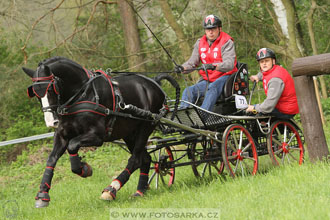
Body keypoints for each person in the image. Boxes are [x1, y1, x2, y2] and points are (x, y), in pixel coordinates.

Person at [174, 14, 237, 111]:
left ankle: (202, 116)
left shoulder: (227, 42)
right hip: (208, 79)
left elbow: (229, 64)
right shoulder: (200, 43)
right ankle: (184, 117)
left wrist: (214, 66)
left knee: (212, 88)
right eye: (208, 29)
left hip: (225, 76)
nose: (210, 32)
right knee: (188, 91)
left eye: (213, 28)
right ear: (205, 30)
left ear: (219, 29)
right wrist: (182, 68)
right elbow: (192, 62)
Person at [246, 48, 299, 119]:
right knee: (254, 111)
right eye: (261, 62)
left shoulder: (276, 80)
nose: (264, 63)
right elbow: (265, 73)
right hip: (281, 105)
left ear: (273, 61)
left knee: (253, 114)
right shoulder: (273, 69)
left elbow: (269, 105)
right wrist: (258, 76)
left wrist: (254, 107)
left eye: (267, 61)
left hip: (286, 109)